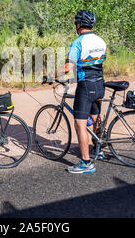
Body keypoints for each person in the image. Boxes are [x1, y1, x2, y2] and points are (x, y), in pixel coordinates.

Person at [43, 10, 106, 174]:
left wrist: (50, 75)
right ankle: (100, 149)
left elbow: (67, 67)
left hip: (86, 86)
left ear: (79, 25)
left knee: (80, 124)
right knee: (94, 116)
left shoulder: (78, 42)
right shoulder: (100, 41)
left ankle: (86, 162)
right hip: (100, 83)